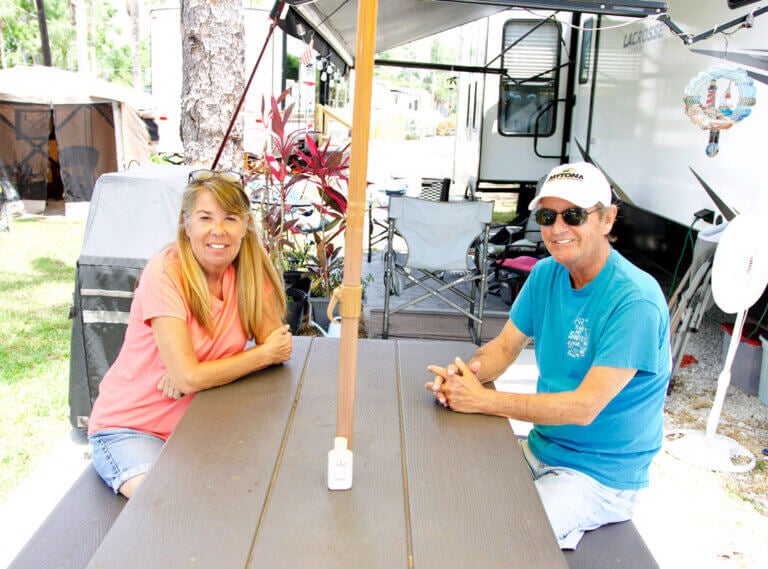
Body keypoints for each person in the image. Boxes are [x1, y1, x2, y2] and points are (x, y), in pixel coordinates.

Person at [426, 161, 671, 549]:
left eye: (574, 215)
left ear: (607, 220)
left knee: (509, 540)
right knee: (450, 493)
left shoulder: (635, 300)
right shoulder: (546, 274)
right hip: (542, 447)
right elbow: (505, 347)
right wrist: (465, 375)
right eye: (547, 215)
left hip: (600, 476)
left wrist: (483, 400)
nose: (558, 228)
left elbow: (584, 407)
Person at [88, 170, 293, 498]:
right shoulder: (167, 271)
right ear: (186, 224)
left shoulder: (247, 272)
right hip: (132, 428)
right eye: (205, 217)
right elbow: (196, 375)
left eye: (230, 218)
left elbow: (278, 343)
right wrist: (197, 373)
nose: (218, 230)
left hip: (198, 424)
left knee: (260, 488)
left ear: (245, 226)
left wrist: (197, 373)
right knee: (170, 504)